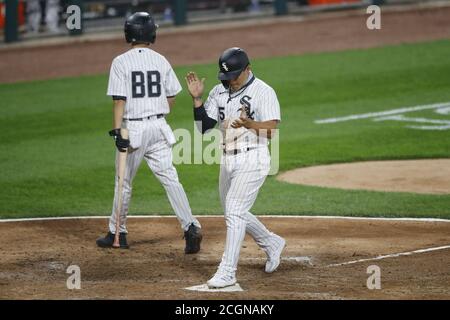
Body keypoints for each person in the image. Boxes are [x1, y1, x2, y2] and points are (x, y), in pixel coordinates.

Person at [96, 12, 202, 254]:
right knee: (171, 179)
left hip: (133, 128)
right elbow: (172, 96)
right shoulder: (160, 60)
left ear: (129, 33)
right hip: (159, 128)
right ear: (151, 33)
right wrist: (156, 113)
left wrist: (117, 130)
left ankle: (117, 233)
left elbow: (119, 100)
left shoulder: (121, 62)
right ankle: (190, 227)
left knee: (123, 182)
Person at [185, 47, 286, 288]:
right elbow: (204, 127)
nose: (229, 81)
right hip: (227, 159)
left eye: (234, 76)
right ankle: (271, 242)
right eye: (226, 77)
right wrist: (197, 100)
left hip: (253, 157)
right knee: (234, 211)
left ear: (247, 69)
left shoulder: (264, 91)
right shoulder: (219, 91)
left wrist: (250, 123)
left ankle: (227, 271)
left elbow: (271, 130)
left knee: (234, 211)